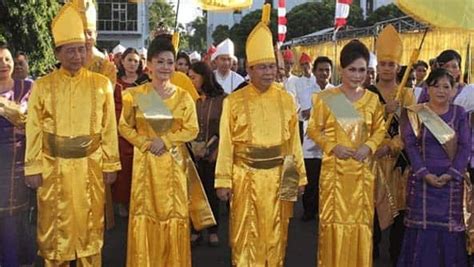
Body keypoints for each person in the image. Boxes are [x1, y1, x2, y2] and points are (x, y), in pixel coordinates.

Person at [24, 4, 120, 265]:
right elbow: (33, 128)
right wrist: (32, 167)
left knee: (90, 229)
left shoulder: (101, 85)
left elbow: (109, 127)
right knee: (55, 233)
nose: (77, 56)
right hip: (54, 168)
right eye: (70, 50)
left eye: (82, 49)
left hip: (91, 167)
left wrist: (111, 163)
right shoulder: (42, 87)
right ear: (58, 52)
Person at [215, 4, 307, 266]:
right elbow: (226, 144)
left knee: (277, 235)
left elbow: (293, 144)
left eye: (272, 66)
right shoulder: (233, 101)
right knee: (245, 236)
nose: (269, 72)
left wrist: (297, 178)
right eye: (262, 67)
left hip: (279, 177)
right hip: (246, 178)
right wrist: (224, 180)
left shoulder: (287, 99)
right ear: (250, 69)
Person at [119, 35, 199, 266]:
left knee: (173, 215)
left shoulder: (184, 97)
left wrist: (166, 140)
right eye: (160, 62)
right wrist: (144, 143)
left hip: (173, 163)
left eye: (170, 62)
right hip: (145, 164)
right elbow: (123, 126)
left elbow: (192, 129)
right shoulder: (134, 95)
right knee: (146, 214)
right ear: (149, 65)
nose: (165, 67)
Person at [307, 39, 386, 267]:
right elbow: (313, 128)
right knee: (332, 226)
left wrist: (368, 146)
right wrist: (332, 146)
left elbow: (379, 129)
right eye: (352, 69)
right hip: (335, 177)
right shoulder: (328, 98)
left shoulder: (372, 100)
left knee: (362, 226)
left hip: (362, 175)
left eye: (362, 70)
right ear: (341, 70)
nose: (357, 75)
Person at [397, 68, 470, 266]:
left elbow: (466, 146)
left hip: (451, 185)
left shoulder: (459, 113)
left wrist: (452, 173)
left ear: (454, 90)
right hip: (422, 183)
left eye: (446, 86)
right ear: (427, 89)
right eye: (435, 85)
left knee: (449, 233)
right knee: (421, 232)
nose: (441, 90)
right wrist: (423, 173)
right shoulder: (418, 113)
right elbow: (410, 144)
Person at [368, 24, 416, 264]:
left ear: (398, 67)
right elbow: (360, 127)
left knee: (400, 211)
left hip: (398, 163)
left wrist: (393, 145)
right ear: (377, 67)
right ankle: (371, 252)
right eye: (383, 64)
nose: (387, 69)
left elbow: (412, 129)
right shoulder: (367, 93)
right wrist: (381, 109)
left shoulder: (407, 94)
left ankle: (397, 255)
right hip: (374, 161)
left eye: (391, 65)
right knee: (372, 213)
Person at [0, 41, 34, 267]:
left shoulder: (28, 87)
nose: (3, 64)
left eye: (7, 59)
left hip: (16, 164)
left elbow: (29, 119)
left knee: (14, 222)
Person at [188, 62, 226, 247]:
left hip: (215, 153)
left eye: (193, 77)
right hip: (196, 153)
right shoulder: (195, 100)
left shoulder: (222, 99)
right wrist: (194, 147)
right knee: (196, 190)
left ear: (204, 76)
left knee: (212, 191)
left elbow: (225, 130)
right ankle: (196, 228)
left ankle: (213, 230)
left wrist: (213, 150)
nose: (191, 80)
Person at [112, 48, 148, 217]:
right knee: (123, 170)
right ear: (122, 62)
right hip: (120, 133)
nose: (132, 64)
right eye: (129, 60)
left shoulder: (145, 83)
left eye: (135, 60)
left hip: (141, 133)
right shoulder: (115, 83)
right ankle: (121, 202)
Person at [72, 0, 117, 84]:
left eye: (89, 33)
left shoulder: (106, 67)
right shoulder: (65, 65)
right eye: (81, 32)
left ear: (96, 35)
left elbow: (106, 94)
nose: (86, 37)